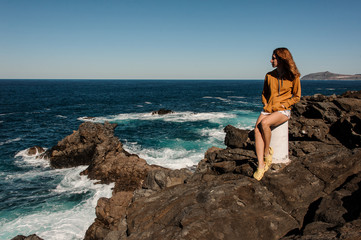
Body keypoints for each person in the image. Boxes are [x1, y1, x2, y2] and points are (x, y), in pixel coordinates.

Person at [253, 47, 301, 181]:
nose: (271, 60)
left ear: (281, 59)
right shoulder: (269, 75)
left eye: (274, 58)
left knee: (264, 123)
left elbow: (297, 96)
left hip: (283, 110)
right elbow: (264, 93)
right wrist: (266, 104)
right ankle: (261, 165)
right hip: (269, 108)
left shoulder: (293, 76)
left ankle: (267, 152)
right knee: (257, 130)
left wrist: (284, 105)